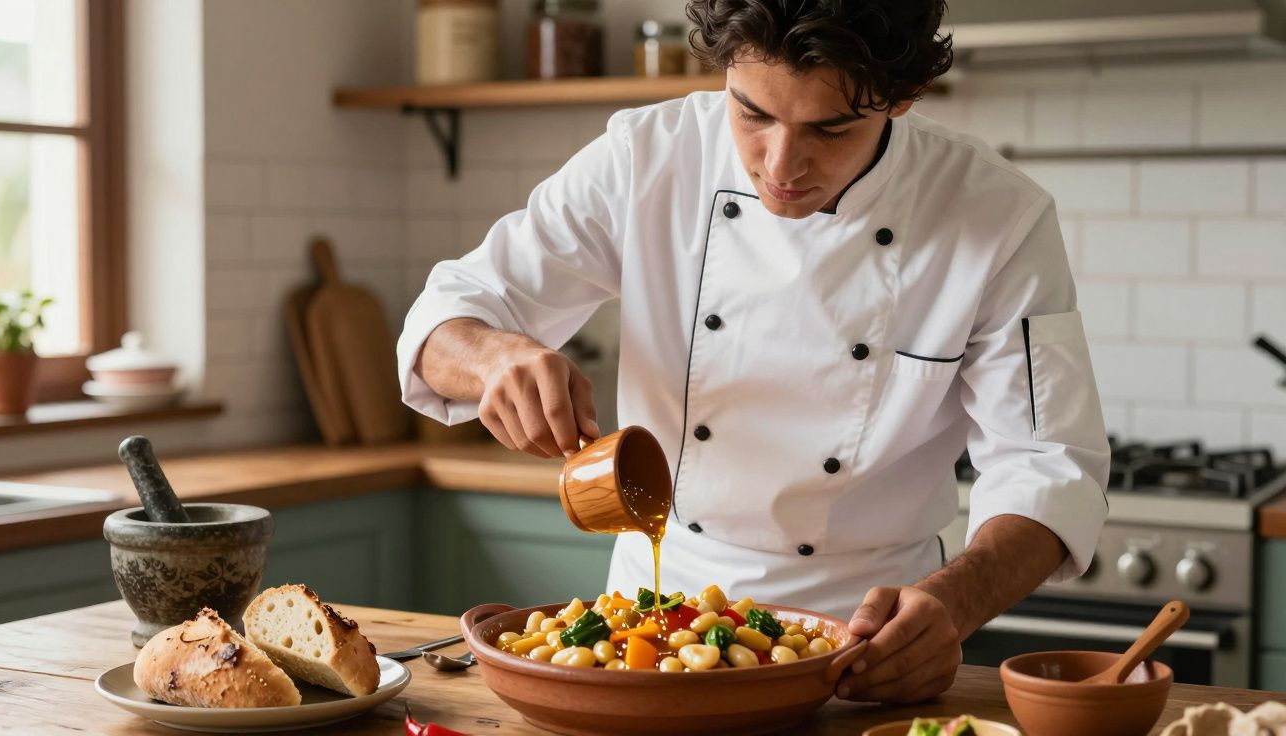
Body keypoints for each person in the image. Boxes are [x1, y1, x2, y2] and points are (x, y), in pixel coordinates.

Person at [397, 0, 1109, 704]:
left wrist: (950, 605)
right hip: (648, 642)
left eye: (829, 129)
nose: (781, 166)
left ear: (904, 97)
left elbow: (1048, 466)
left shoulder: (995, 215)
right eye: (752, 113)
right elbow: (444, 317)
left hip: (864, 648)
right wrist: (494, 358)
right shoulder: (648, 158)